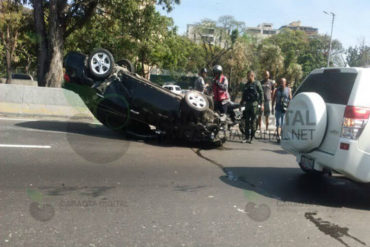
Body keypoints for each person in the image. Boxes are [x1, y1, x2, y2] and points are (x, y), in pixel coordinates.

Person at [240, 71, 264, 143]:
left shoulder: (257, 83)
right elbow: (244, 95)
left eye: (248, 76)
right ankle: (246, 137)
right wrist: (241, 103)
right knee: (246, 121)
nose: (247, 77)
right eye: (247, 76)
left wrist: (262, 104)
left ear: (252, 75)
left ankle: (252, 137)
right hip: (247, 104)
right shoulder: (246, 84)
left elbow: (261, 93)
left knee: (253, 121)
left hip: (254, 104)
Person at [272, 78, 292, 143]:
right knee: (279, 123)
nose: (281, 83)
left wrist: (290, 108)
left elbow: (290, 99)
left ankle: (281, 135)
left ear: (285, 83)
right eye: (280, 82)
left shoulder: (288, 90)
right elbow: (273, 98)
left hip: (285, 110)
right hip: (278, 108)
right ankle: (278, 136)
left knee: (283, 124)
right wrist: (272, 107)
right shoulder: (277, 90)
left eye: (283, 82)